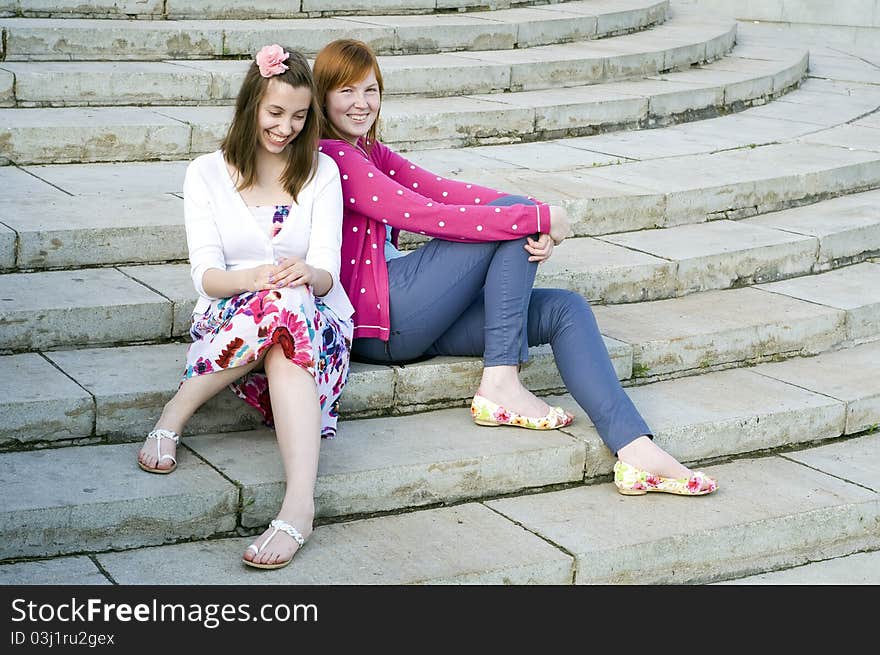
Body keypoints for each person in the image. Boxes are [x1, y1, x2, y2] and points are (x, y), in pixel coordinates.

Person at [312, 38, 716, 497]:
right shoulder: (334, 156)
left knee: (566, 310)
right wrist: (536, 218)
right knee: (511, 220)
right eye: (346, 91)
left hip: (412, 317)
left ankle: (635, 448)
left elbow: (446, 192)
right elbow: (421, 215)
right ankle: (500, 379)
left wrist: (534, 209)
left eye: (371, 90)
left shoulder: (368, 150)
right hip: (379, 319)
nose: (362, 103)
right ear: (323, 96)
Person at [136, 44, 355, 569]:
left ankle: (296, 508)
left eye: (300, 116)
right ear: (251, 106)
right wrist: (253, 279)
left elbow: (329, 273)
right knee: (279, 306)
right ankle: (178, 413)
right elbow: (206, 277)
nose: (286, 128)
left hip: (313, 328)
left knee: (290, 306)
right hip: (228, 320)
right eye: (275, 113)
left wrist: (310, 273)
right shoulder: (206, 174)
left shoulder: (321, 172)